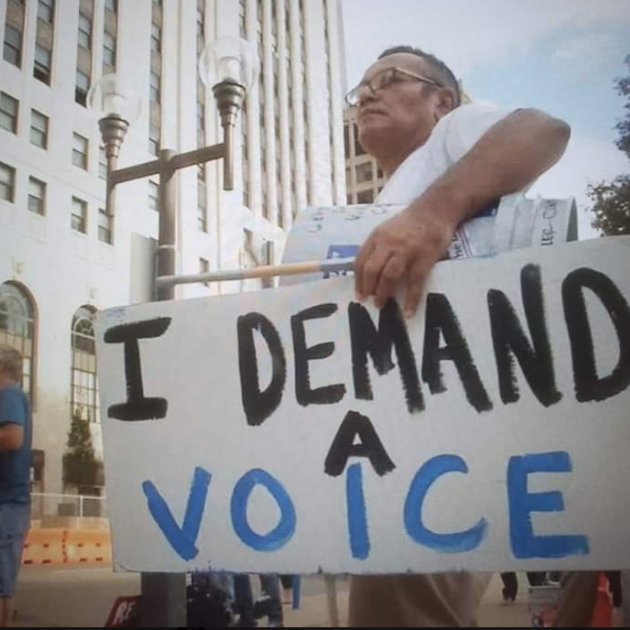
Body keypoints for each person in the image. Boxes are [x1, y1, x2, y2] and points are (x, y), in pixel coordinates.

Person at [348, 46, 571, 628]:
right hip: (398, 434)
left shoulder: (453, 135)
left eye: (389, 79)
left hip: (445, 435)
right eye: (361, 88)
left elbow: (542, 130)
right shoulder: (395, 190)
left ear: (441, 100)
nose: (367, 93)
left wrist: (432, 214)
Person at [0, 347, 32, 628]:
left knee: (1, 577)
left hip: (7, 503)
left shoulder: (8, 393)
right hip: (9, 503)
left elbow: (12, 438)